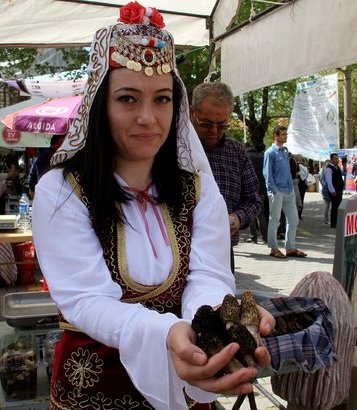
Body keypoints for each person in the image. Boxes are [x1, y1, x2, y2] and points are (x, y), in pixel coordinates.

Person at [31, 4, 273, 409]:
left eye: (162, 99)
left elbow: (209, 273)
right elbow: (86, 299)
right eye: (128, 98)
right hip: (97, 384)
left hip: (192, 368)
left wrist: (218, 324)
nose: (148, 117)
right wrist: (166, 334)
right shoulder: (61, 191)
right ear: (98, 105)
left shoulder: (196, 189)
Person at [190, 82, 261, 271]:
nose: (214, 131)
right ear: (191, 113)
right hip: (179, 251)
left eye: (222, 125)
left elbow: (254, 199)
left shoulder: (237, 152)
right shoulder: (175, 149)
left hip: (222, 251)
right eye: (205, 124)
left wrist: (238, 218)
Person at [263, 125, 307, 259]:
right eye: (282, 134)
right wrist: (274, 190)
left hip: (289, 190)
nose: (285, 136)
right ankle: (273, 248)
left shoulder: (285, 151)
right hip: (277, 191)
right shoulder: (270, 152)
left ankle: (290, 248)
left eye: (285, 134)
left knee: (293, 219)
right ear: (275, 136)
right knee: (275, 220)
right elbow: (267, 174)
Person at [28, 134, 66, 198]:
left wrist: (33, 192)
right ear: (61, 142)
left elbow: (31, 178)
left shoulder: (39, 158)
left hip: (42, 196)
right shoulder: (62, 158)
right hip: (57, 198)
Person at [247, 142, 268, 243]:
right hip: (261, 189)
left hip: (249, 189)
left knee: (251, 214)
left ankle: (253, 237)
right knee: (261, 214)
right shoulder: (262, 157)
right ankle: (264, 237)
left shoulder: (246, 157)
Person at [323, 152, 344, 229]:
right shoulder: (329, 168)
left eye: (337, 159)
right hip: (334, 190)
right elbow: (329, 181)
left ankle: (337, 221)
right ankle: (333, 223)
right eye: (335, 159)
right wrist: (332, 190)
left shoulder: (337, 167)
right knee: (335, 206)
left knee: (338, 206)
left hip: (339, 189)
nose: (337, 160)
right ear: (331, 160)